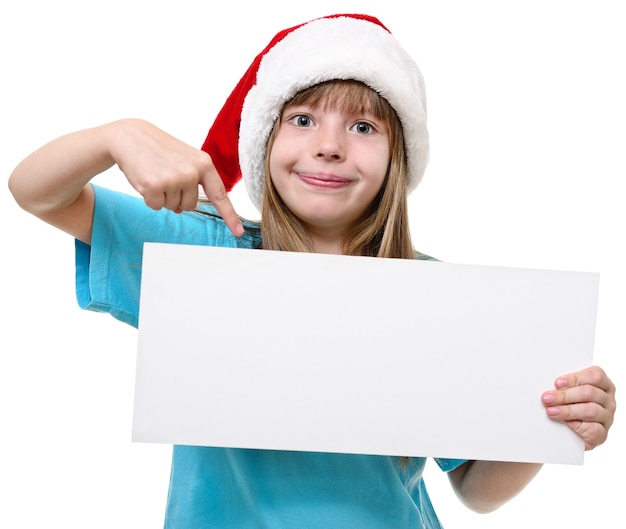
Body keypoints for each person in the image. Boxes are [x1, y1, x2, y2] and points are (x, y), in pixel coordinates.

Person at [8, 13, 616, 529]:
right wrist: (115, 135)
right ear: (264, 141)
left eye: (362, 127)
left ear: (397, 158)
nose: (329, 146)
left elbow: (477, 491)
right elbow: (37, 193)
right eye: (302, 120)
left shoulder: (436, 295)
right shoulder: (202, 257)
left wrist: (553, 423)